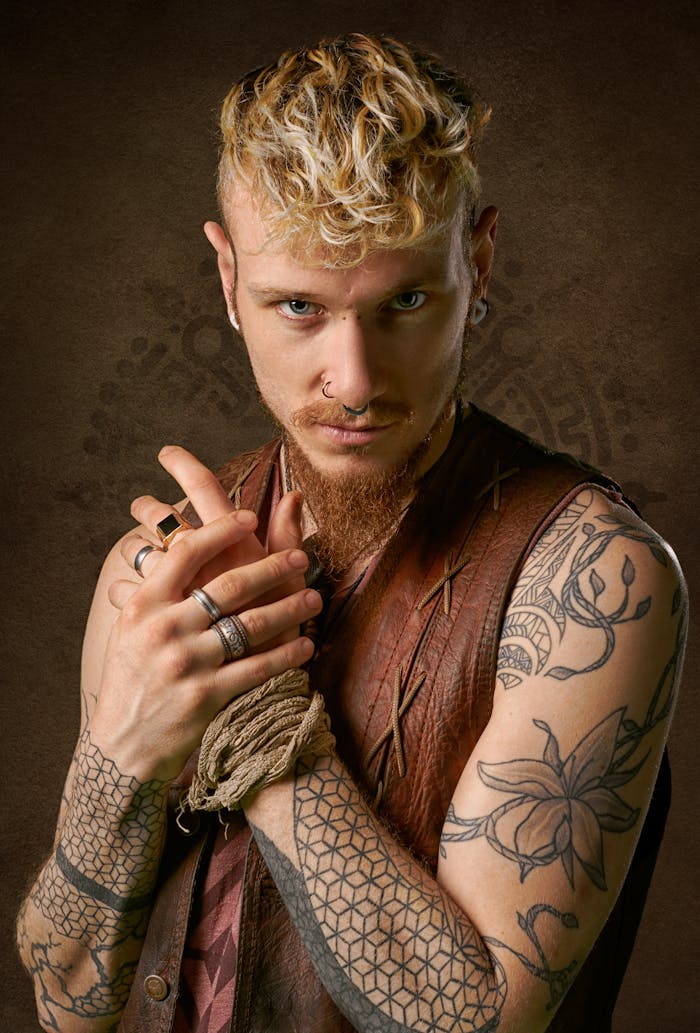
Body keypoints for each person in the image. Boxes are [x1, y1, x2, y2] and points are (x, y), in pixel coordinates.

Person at [17, 33, 686, 1033]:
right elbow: (65, 1004)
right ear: (226, 278)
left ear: (481, 258)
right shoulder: (155, 571)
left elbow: (478, 1022)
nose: (357, 380)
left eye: (404, 302)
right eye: (298, 306)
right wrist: (120, 761)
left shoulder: (592, 577)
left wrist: (258, 718)